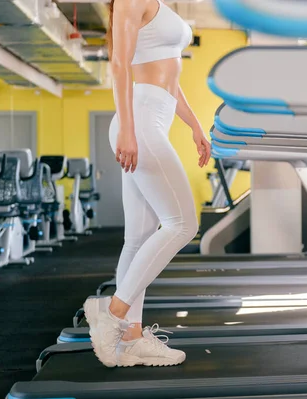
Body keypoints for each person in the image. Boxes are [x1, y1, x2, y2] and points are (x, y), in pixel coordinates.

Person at [83, 0, 211, 368]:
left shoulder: (157, 4)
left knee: (138, 238)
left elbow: (171, 76)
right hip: (139, 120)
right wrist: (126, 129)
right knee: (183, 224)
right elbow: (120, 64)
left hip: (155, 115)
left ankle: (132, 337)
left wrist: (194, 124)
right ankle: (112, 313)